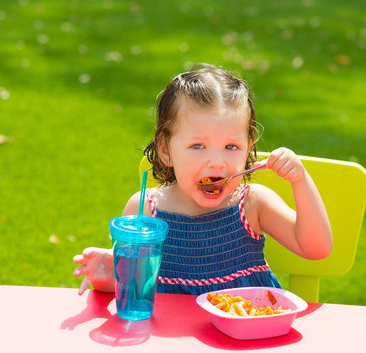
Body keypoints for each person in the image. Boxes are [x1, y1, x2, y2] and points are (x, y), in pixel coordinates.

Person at [73, 63, 332, 295]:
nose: (217, 162)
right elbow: (129, 285)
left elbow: (316, 248)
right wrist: (108, 273)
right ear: (165, 149)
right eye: (198, 146)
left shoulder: (253, 204)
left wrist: (301, 180)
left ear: (248, 146)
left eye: (231, 147)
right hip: (168, 341)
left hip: (247, 339)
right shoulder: (146, 210)